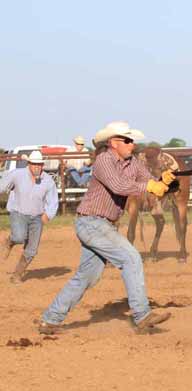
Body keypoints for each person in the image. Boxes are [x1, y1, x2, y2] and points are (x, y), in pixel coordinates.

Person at [38, 121, 176, 334]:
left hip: (101, 225)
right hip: (92, 222)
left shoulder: (133, 164)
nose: (132, 144)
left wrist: (164, 182)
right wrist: (149, 185)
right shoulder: (103, 161)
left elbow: (150, 184)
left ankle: (50, 319)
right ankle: (142, 315)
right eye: (127, 140)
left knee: (86, 277)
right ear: (113, 142)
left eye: (132, 140)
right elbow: (119, 186)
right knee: (131, 258)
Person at [0, 150, 59, 283]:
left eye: (40, 164)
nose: (37, 167)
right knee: (19, 237)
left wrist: (48, 215)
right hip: (18, 213)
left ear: (43, 165)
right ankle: (10, 241)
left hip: (37, 217)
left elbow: (53, 200)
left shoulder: (48, 181)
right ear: (29, 164)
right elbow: (2, 185)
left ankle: (17, 275)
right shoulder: (17, 175)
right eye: (34, 164)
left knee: (31, 250)